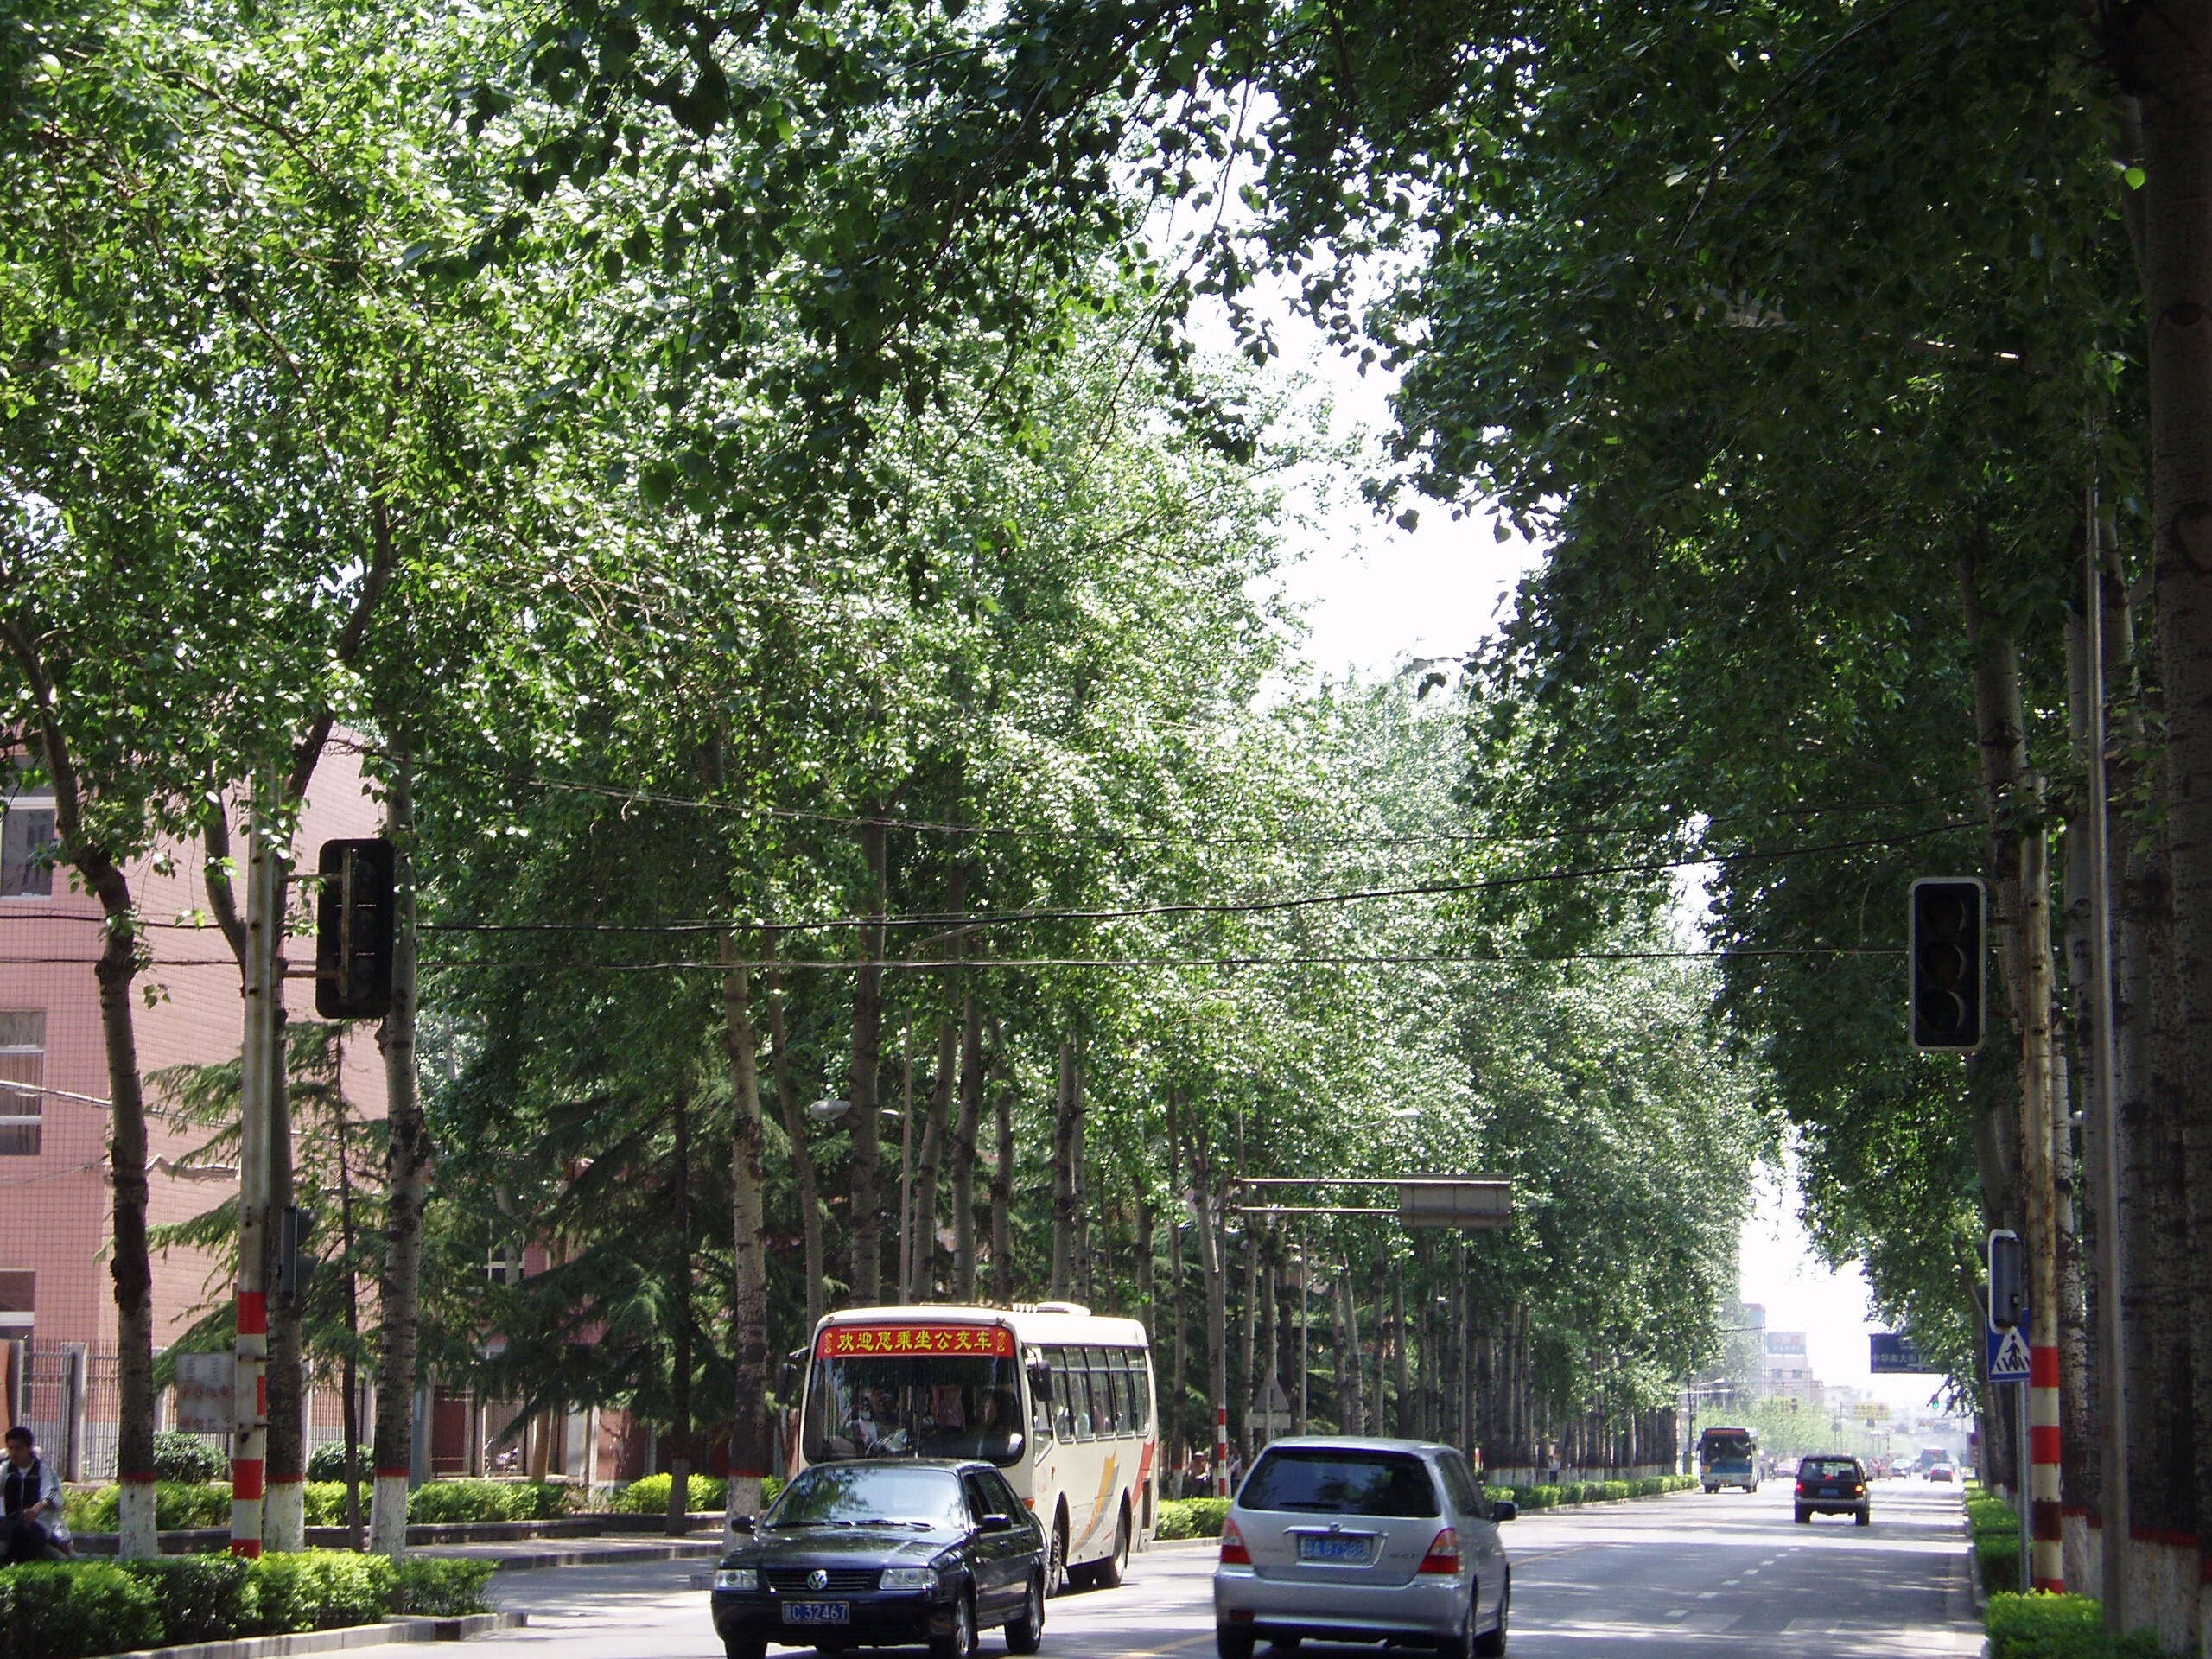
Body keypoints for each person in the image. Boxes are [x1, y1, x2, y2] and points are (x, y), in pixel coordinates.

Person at [3, 1426, 67, 1562]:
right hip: (11, 1522)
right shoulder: (6, 1469)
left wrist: (37, 1508)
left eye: (18, 1448)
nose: (14, 1453)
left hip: (39, 1525)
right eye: (10, 1448)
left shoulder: (43, 1470)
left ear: (28, 1448)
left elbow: (52, 1495)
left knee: (21, 1533)